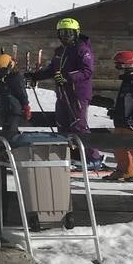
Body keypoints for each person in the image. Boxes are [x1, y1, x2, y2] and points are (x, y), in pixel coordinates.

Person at [26, 17, 101, 168]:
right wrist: (35, 75)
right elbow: (52, 70)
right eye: (62, 33)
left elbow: (87, 71)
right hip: (62, 93)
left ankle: (93, 158)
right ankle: (72, 156)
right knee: (62, 125)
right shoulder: (60, 51)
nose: (65, 36)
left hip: (77, 94)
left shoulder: (82, 50)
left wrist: (68, 77)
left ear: (76, 33)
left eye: (69, 33)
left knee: (79, 126)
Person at [106, 50, 133, 182]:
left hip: (132, 121)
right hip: (122, 119)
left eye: (121, 65)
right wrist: (115, 111)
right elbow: (124, 100)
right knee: (118, 145)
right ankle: (125, 170)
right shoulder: (127, 81)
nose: (119, 68)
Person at [0, 53, 30, 143]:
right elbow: (2, 94)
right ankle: (5, 150)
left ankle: (14, 149)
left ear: (9, 68)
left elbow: (22, 93)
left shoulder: (15, 79)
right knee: (5, 131)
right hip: (4, 110)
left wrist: (26, 107)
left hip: (13, 111)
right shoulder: (3, 81)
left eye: (0, 71)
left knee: (11, 132)